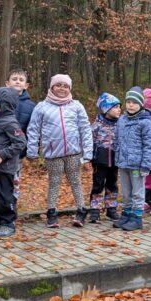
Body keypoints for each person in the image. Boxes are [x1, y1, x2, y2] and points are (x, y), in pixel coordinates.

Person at [26, 74, 94, 228]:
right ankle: (51, 212)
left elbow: (85, 129)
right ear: (52, 87)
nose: (62, 88)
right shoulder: (42, 107)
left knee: (75, 181)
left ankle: (81, 210)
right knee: (54, 182)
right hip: (53, 154)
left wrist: (87, 153)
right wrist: (32, 152)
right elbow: (33, 130)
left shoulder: (76, 106)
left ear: (70, 88)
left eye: (65, 86)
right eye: (58, 85)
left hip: (73, 153)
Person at [0, 87, 27, 239]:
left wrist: (2, 154)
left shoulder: (10, 122)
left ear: (4, 106)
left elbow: (20, 143)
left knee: (5, 196)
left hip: (6, 168)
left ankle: (8, 222)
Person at [115, 87, 151, 231]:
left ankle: (137, 217)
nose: (130, 105)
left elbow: (149, 146)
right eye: (128, 102)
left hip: (137, 166)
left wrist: (146, 165)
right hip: (123, 163)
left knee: (137, 192)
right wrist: (117, 158)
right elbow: (117, 141)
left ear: (141, 104)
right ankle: (126, 214)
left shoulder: (145, 122)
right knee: (126, 192)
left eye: (134, 102)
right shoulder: (122, 120)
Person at [89, 93, 122, 224]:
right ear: (106, 109)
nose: (119, 109)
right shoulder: (96, 125)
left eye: (120, 107)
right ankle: (95, 210)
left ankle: (111, 209)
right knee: (98, 186)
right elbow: (89, 142)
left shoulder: (120, 125)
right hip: (100, 161)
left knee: (112, 185)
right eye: (116, 107)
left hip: (115, 161)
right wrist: (88, 158)